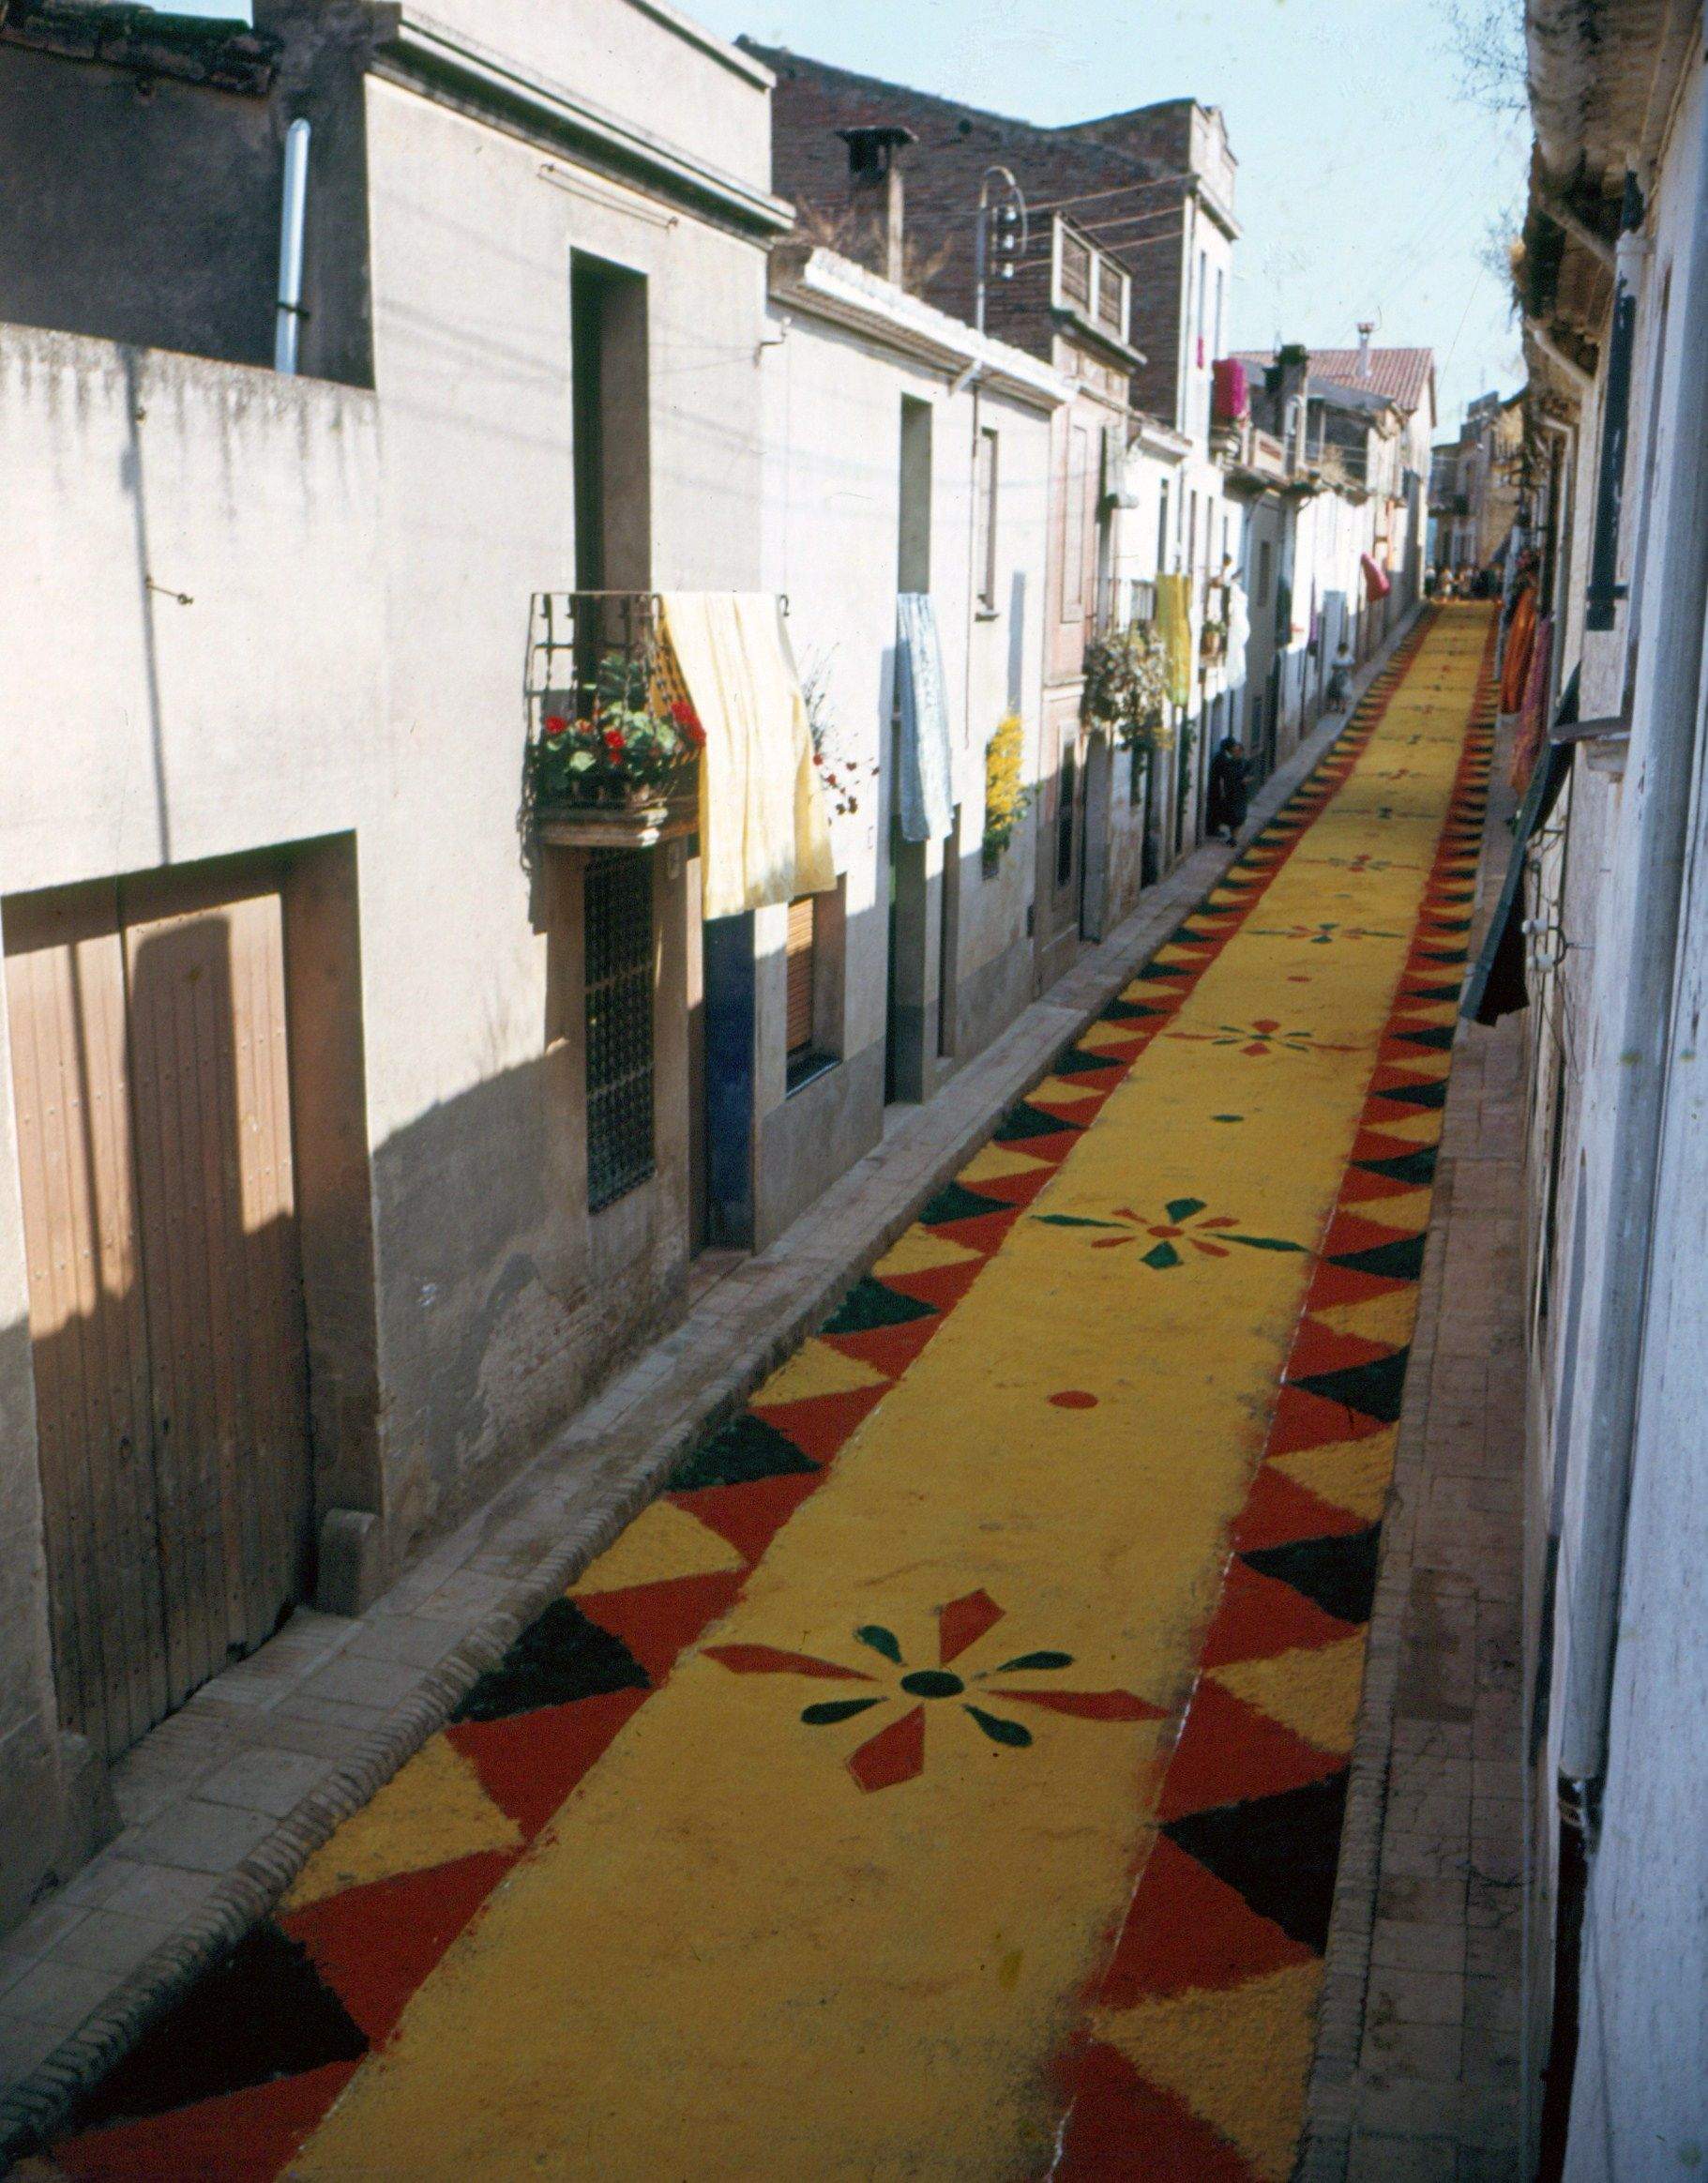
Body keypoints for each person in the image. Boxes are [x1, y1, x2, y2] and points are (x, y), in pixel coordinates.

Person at [1206, 735, 1250, 842]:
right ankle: (1214, 829)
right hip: (1222, 789)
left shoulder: (1225, 757)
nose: (1236, 748)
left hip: (1228, 790)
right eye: (1234, 746)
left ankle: (1225, 833)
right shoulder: (1224, 759)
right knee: (1222, 811)